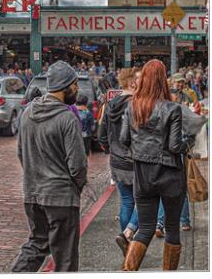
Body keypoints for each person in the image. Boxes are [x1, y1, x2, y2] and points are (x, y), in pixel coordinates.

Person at [11, 61, 87, 272]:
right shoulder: (67, 118)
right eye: (75, 84)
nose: (77, 89)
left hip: (33, 194)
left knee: (37, 244)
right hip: (61, 196)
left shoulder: (27, 113)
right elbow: (78, 166)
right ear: (65, 87)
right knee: (65, 259)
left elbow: (21, 153)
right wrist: (75, 187)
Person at [120, 59, 185, 271]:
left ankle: (128, 270)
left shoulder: (133, 107)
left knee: (145, 228)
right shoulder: (172, 108)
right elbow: (175, 146)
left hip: (143, 175)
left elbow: (123, 139)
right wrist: (190, 141)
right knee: (172, 228)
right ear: (163, 81)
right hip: (170, 175)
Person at [99, 67, 141, 256]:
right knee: (145, 201)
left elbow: (101, 134)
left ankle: (127, 244)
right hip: (135, 161)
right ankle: (128, 235)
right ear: (132, 82)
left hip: (116, 161)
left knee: (126, 202)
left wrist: (110, 149)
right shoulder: (136, 105)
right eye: (139, 80)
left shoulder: (110, 104)